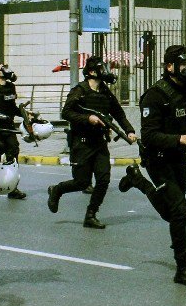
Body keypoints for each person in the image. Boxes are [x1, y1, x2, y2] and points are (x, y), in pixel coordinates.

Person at [117, 45, 186, 287]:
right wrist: (181, 139)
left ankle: (137, 181)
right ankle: (182, 267)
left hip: (178, 158)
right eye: (182, 63)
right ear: (169, 67)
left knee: (171, 213)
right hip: (158, 159)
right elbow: (149, 136)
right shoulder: (155, 96)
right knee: (179, 212)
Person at [49, 56, 136, 229]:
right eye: (101, 69)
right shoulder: (79, 90)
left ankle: (91, 214)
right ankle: (57, 190)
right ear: (91, 72)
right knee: (82, 182)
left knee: (103, 180)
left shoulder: (105, 92)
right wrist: (88, 118)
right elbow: (66, 113)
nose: (105, 72)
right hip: (81, 143)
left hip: (99, 142)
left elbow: (119, 113)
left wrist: (130, 130)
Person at [0, 63, 27, 200]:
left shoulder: (11, 87)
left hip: (8, 125)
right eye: (1, 68)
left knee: (14, 151)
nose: (5, 69)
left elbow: (12, 107)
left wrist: (25, 114)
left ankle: (12, 187)